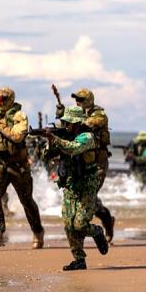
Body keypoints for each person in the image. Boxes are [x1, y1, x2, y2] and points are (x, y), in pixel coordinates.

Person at [0, 87, 44, 249]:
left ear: (11, 99)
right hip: (0, 164)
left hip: (18, 165)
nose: (0, 101)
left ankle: (37, 231)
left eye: (4, 98)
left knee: (26, 201)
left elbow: (17, 136)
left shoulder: (19, 116)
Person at [45, 106, 109, 271]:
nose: (66, 125)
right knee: (69, 224)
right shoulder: (65, 136)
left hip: (87, 185)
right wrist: (50, 142)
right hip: (70, 184)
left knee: (80, 224)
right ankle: (79, 259)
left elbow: (73, 148)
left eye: (69, 123)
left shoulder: (87, 137)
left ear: (78, 123)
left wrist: (56, 138)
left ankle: (96, 231)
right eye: (65, 122)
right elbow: (48, 155)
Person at [56, 88, 116, 243]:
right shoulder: (75, 114)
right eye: (77, 99)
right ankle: (98, 221)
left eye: (81, 99)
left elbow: (85, 125)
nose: (78, 102)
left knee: (90, 196)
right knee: (85, 198)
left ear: (89, 100)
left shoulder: (99, 115)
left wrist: (68, 118)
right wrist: (62, 116)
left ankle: (102, 223)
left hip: (98, 163)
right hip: (81, 162)